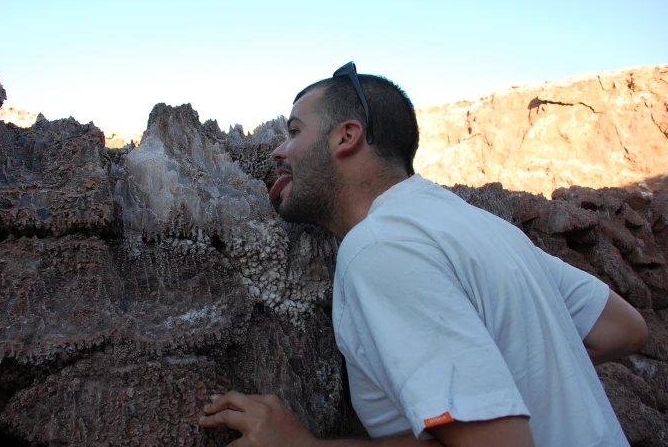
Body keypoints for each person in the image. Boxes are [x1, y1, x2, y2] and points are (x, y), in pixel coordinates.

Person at [199, 62, 649, 447]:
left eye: (294, 131)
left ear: (346, 137)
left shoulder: (379, 247)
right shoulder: (482, 227)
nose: (279, 149)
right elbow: (622, 330)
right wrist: (510, 371)